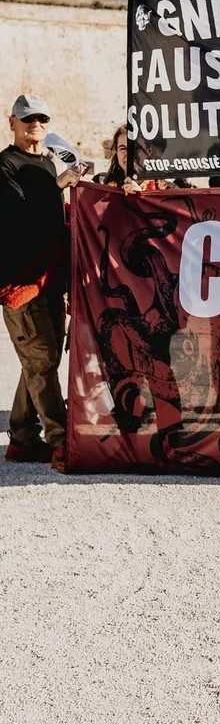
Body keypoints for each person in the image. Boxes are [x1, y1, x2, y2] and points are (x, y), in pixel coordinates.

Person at [0, 95, 80, 468]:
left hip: (51, 281)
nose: (35, 123)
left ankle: (21, 437)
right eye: (27, 117)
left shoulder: (48, 164)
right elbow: (17, 213)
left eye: (41, 118)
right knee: (44, 361)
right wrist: (60, 185)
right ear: (12, 122)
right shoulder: (5, 165)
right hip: (21, 284)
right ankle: (62, 439)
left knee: (37, 361)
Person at [95, 126, 191, 191]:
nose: (129, 154)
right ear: (116, 152)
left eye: (136, 148)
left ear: (148, 152)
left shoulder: (168, 190)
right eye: (123, 148)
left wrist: (141, 199)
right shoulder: (100, 184)